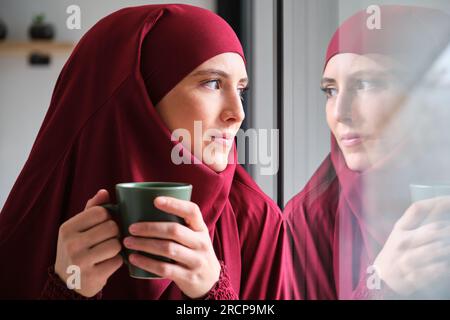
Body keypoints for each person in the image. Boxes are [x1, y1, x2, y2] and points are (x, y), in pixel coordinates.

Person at [0, 4, 289, 300]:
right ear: (138, 98)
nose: (237, 113)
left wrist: (213, 293)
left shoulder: (258, 222)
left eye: (241, 89)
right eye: (213, 83)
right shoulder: (28, 228)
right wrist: (67, 290)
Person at [285, 5, 450, 299]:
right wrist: (382, 287)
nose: (340, 112)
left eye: (366, 84)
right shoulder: (310, 217)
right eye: (330, 90)